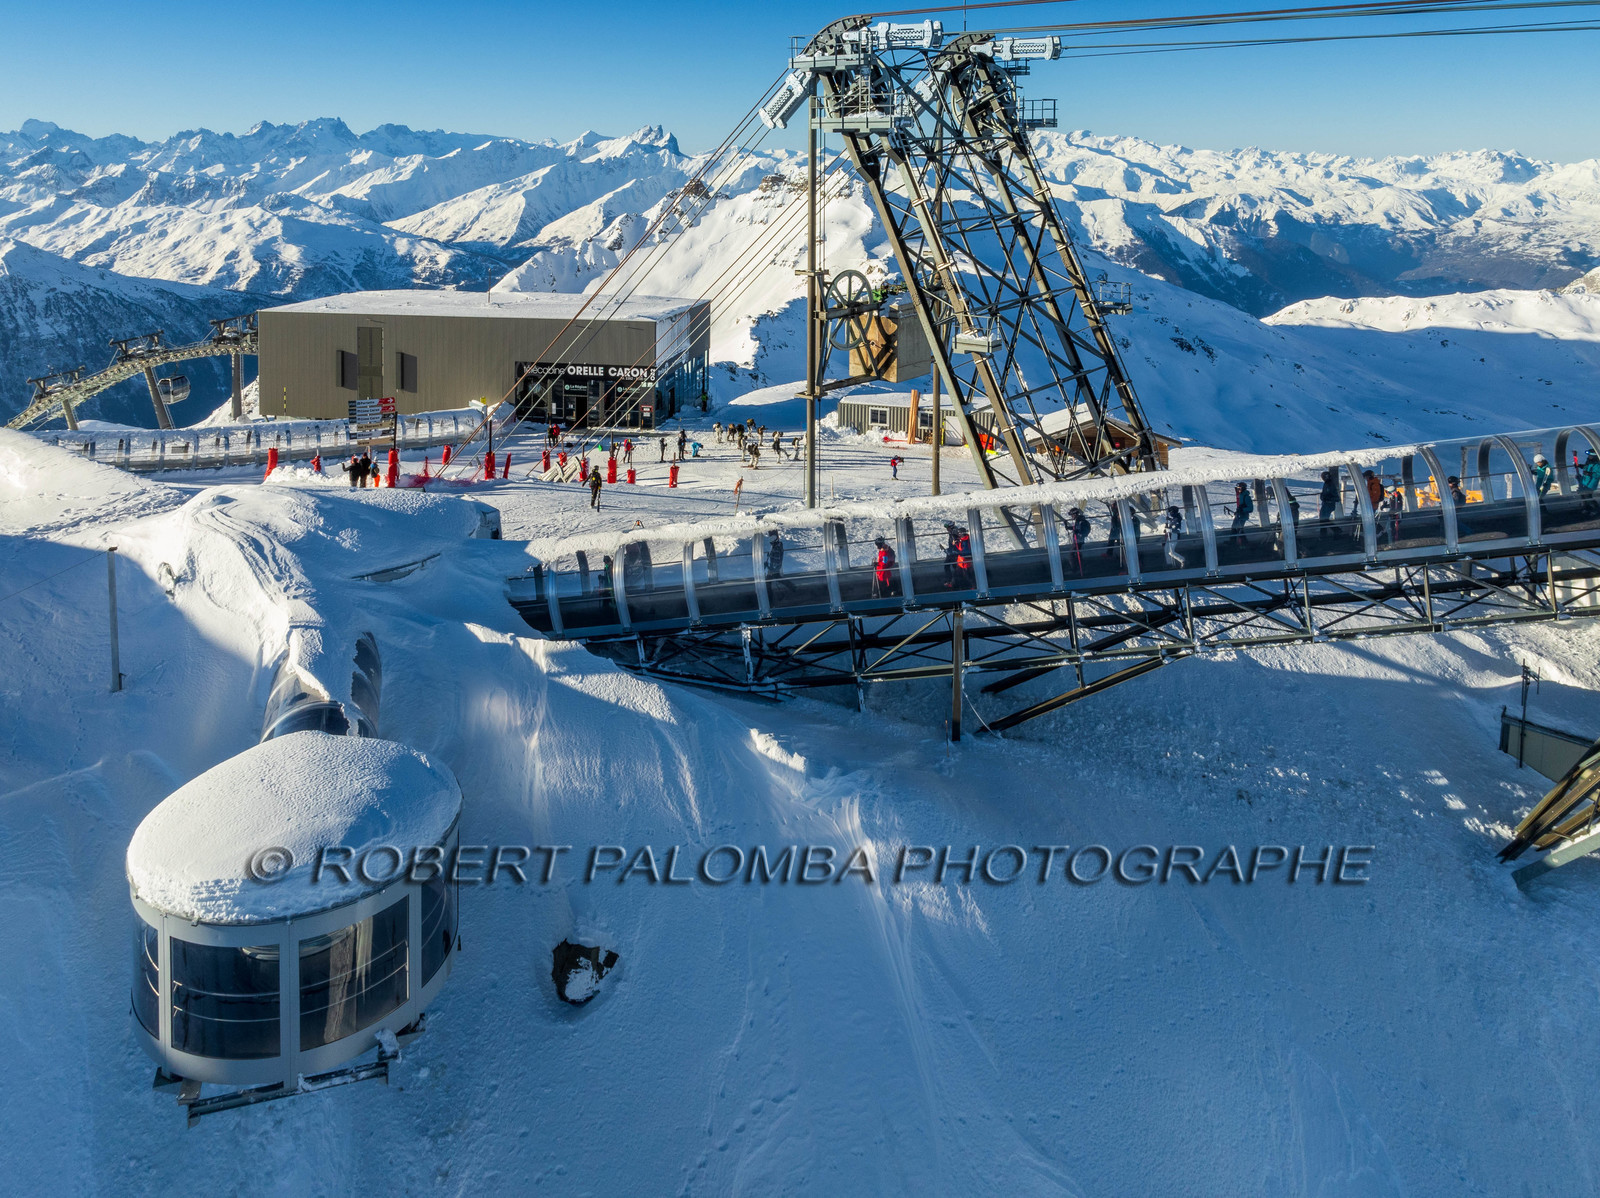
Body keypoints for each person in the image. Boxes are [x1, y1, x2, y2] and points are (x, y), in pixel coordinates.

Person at [1317, 468, 1342, 538]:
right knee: (1323, 519)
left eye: (1323, 477)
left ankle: (1324, 534)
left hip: (1328, 505)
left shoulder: (1330, 485)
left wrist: (1328, 499)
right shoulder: (1327, 484)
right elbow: (1325, 494)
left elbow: (1336, 498)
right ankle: (1333, 531)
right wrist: (1323, 497)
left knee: (1323, 520)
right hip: (1326, 504)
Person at [1065, 506, 1089, 575]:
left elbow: (1082, 531)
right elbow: (1076, 528)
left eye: (1072, 515)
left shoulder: (1081, 521)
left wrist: (1078, 533)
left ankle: (1075, 570)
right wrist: (1069, 527)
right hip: (1077, 540)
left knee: (1072, 554)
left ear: (1075, 514)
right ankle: (1079, 568)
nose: (1071, 516)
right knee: (1076, 554)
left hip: (1078, 541)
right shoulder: (1079, 521)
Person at [942, 522, 961, 588]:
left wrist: (950, 550)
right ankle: (953, 581)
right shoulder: (953, 532)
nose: (947, 529)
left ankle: (951, 581)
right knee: (953, 566)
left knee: (949, 566)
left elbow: (955, 543)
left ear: (951, 527)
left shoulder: (954, 533)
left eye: (948, 528)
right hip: (952, 552)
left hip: (953, 553)